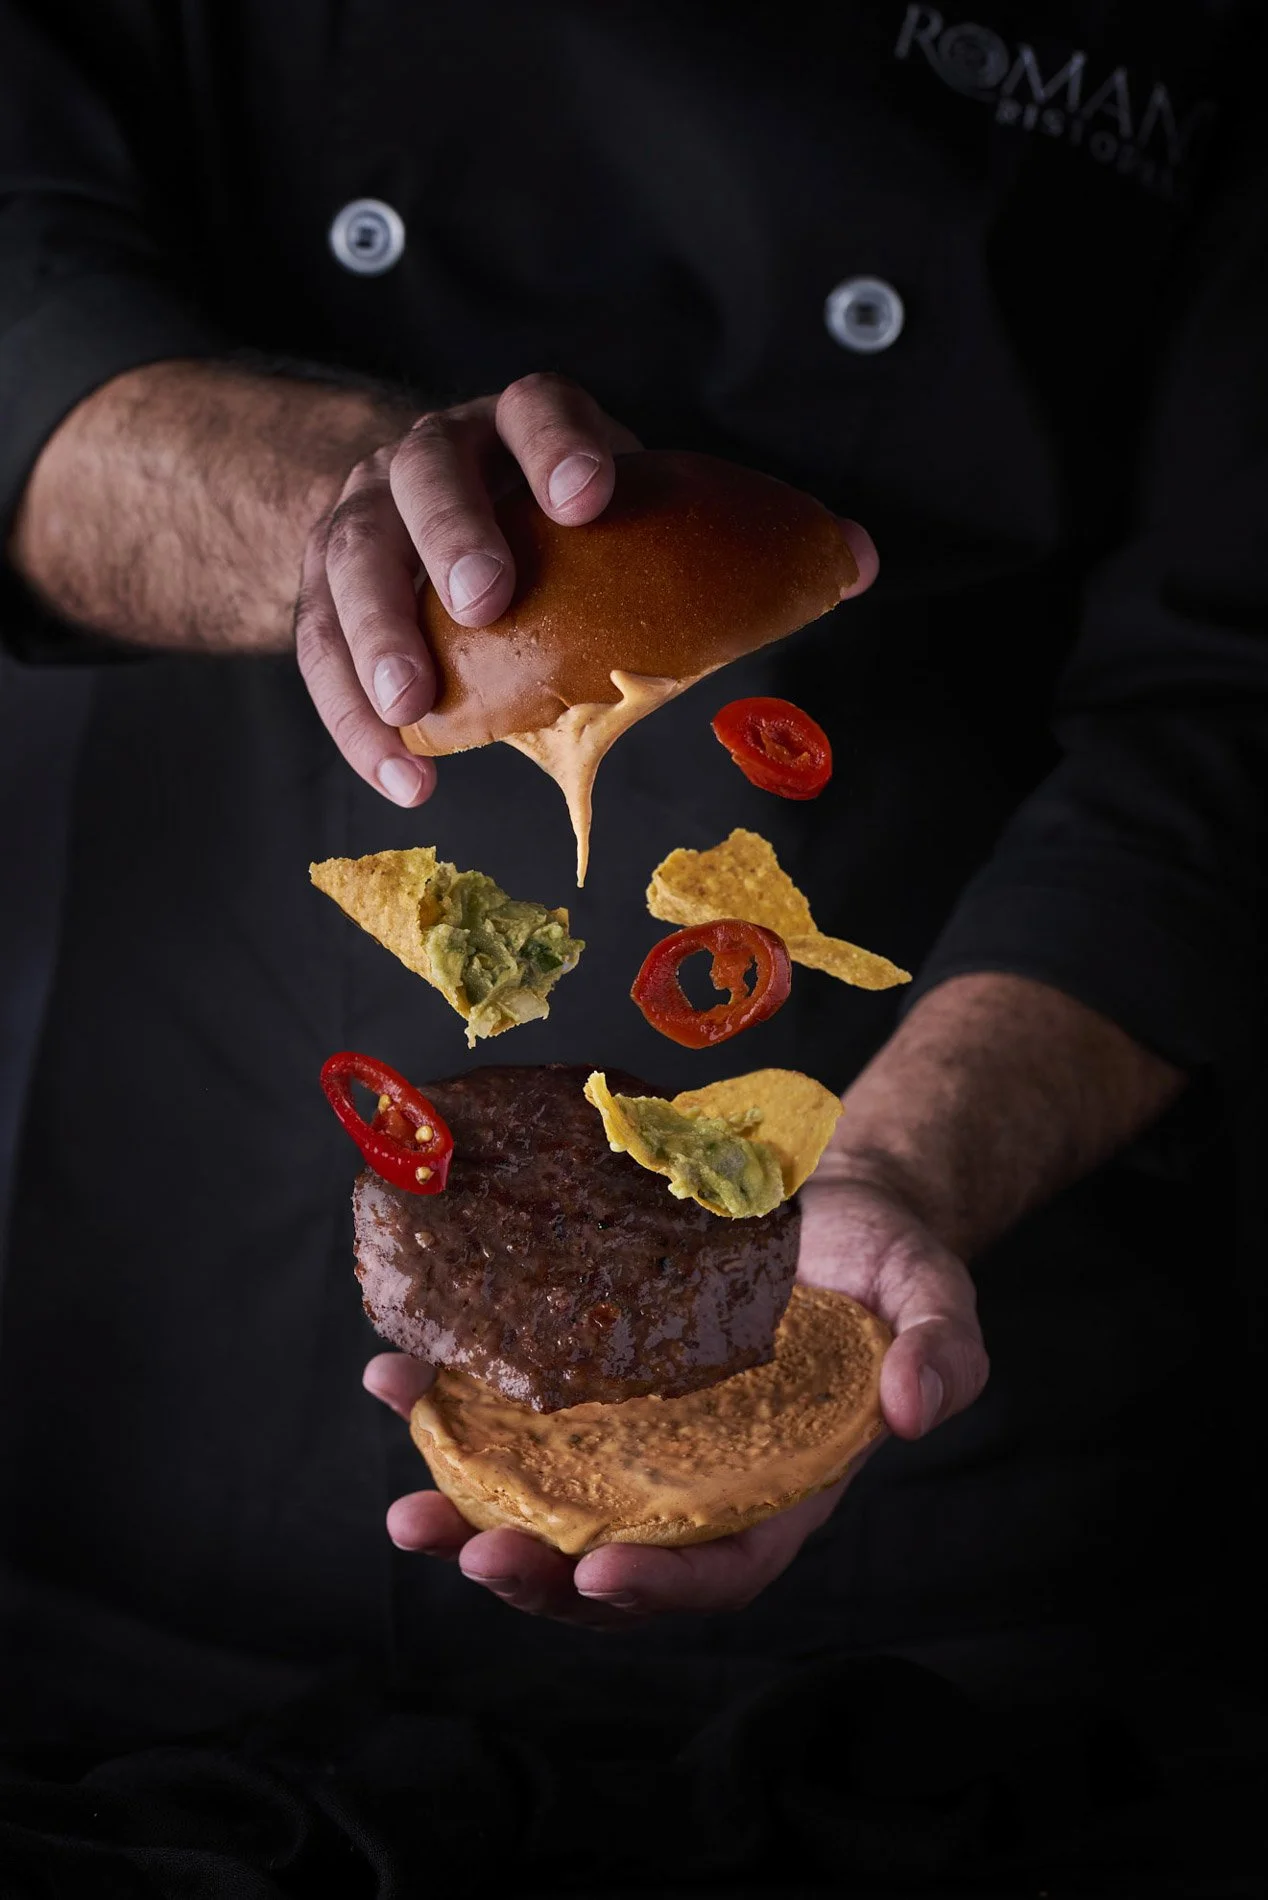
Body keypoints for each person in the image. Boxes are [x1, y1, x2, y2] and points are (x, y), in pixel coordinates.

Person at [0, 2, 1263, 1893]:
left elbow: (1224, 707)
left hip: (950, 1558)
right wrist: (349, 519)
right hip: (183, 1456)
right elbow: (21, 333)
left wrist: (907, 1169)